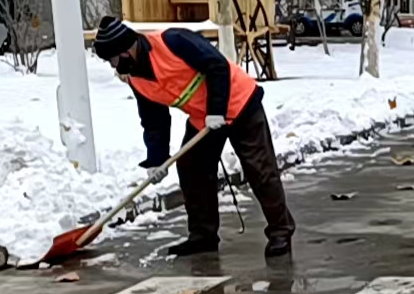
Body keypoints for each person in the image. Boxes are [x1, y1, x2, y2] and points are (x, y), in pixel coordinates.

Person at [91, 16, 295, 258]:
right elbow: (154, 121)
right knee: (191, 167)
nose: (114, 66)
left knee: (259, 168)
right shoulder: (137, 79)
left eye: (114, 59)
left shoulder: (173, 41)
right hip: (203, 118)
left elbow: (217, 65)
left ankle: (280, 231)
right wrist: (156, 160)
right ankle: (203, 235)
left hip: (240, 103)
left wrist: (216, 110)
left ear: (126, 49)